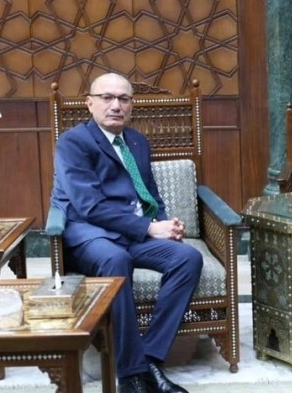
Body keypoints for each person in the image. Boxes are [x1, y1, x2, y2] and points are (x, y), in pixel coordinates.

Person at [51, 73, 202, 393]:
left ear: (132, 105)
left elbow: (151, 195)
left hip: (135, 236)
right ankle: (131, 376)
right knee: (116, 259)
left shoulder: (137, 141)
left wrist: (166, 224)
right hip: (93, 235)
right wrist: (149, 227)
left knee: (188, 257)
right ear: (89, 103)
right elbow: (89, 206)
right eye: (107, 98)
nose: (116, 105)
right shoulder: (73, 142)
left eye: (123, 99)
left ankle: (151, 358)